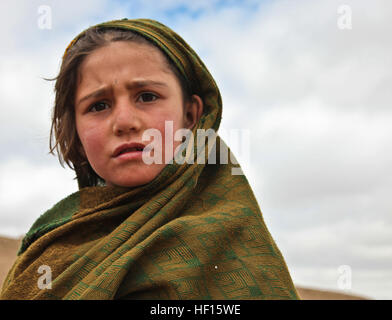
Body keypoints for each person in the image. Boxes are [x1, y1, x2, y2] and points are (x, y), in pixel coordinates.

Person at [0, 18, 299, 300]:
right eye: (98, 105)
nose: (124, 122)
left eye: (147, 96)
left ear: (191, 115)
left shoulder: (236, 247)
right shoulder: (49, 245)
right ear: (76, 132)